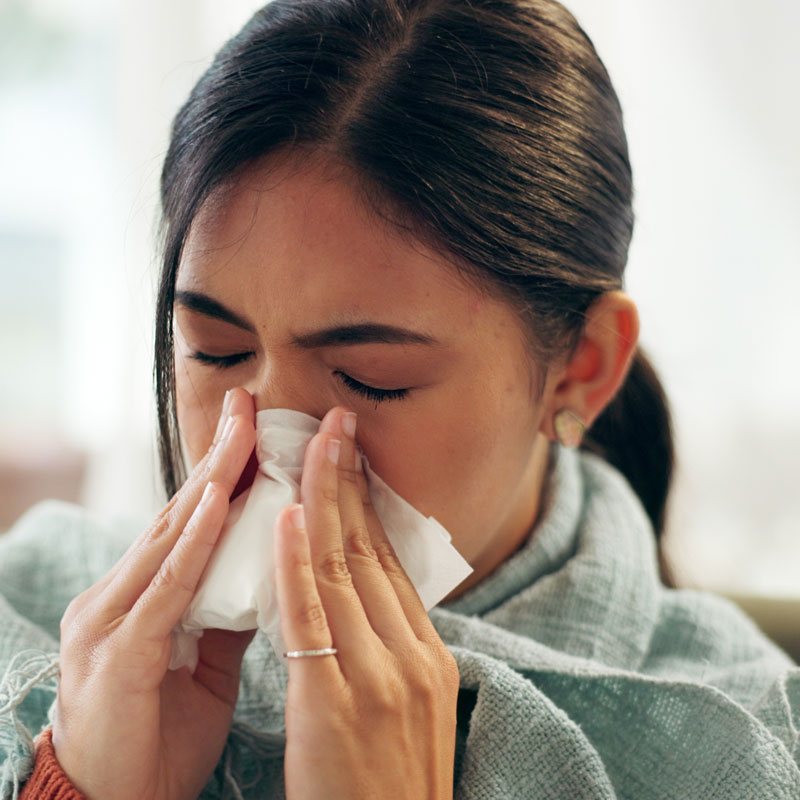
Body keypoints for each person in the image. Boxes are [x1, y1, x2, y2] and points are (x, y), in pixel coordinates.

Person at [1, 0, 798, 797]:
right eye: (215, 350)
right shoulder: (30, 614)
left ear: (581, 367)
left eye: (371, 376)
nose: (267, 448)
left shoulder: (736, 749)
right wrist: (72, 782)